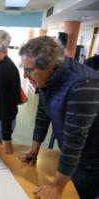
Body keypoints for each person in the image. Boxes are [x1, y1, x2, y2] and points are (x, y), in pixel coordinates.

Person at [19, 36, 99, 199]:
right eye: (23, 68)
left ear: (51, 66)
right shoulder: (45, 79)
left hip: (90, 158)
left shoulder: (83, 84)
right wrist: (34, 150)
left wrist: (56, 186)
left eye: (29, 70)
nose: (25, 76)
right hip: (72, 152)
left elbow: (75, 140)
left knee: (76, 194)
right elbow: (42, 114)